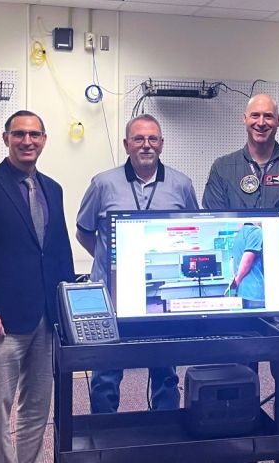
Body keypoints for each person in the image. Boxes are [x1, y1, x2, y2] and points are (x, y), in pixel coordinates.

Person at [202, 93, 279, 463]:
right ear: (244, 119)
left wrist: (274, 257)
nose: (262, 122)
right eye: (256, 115)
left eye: (269, 116)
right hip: (240, 295)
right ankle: (241, 452)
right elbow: (215, 218)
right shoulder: (224, 168)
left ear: (278, 121)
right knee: (237, 378)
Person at [0, 110, 76, 463]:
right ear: (6, 139)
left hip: (45, 317)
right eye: (19, 134)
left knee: (38, 406)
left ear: (44, 140)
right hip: (2, 319)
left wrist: (67, 312)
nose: (27, 141)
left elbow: (59, 250)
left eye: (35, 135)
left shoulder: (52, 188)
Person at [76, 114, 198, 414]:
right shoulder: (103, 183)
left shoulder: (182, 184)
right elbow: (84, 231)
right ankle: (104, 438)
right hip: (111, 299)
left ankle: (166, 438)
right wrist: (115, 267)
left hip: (162, 298)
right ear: (126, 144)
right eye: (139, 139)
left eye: (153, 139)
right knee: (105, 374)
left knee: (166, 373)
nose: (146, 145)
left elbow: (194, 230)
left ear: (161, 144)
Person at [227, 223, 264, 309]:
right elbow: (248, 257)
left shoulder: (238, 236)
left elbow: (232, 261)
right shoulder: (255, 231)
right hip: (255, 292)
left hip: (242, 291)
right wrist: (238, 279)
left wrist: (235, 280)